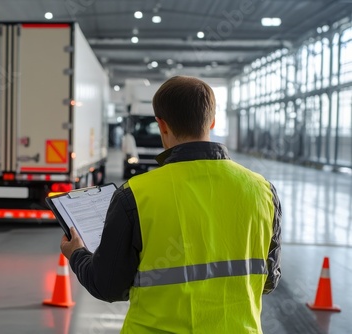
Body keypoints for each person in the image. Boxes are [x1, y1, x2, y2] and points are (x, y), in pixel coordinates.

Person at [60, 76, 281, 333]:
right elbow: (269, 280)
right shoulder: (262, 190)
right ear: (212, 121)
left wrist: (77, 254)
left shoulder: (135, 194)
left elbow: (107, 286)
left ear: (162, 125)